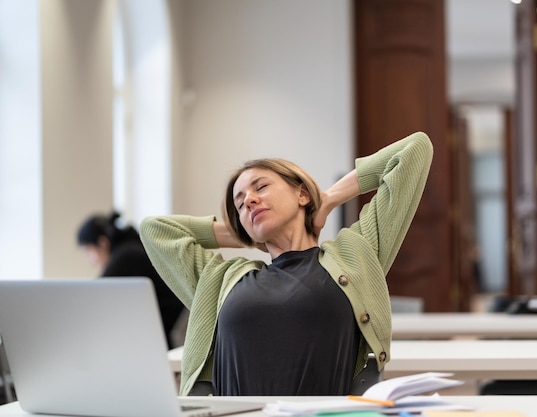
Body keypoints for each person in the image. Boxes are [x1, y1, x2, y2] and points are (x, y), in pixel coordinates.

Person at [139, 131, 433, 396]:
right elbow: (155, 230)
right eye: (240, 203)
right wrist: (245, 230)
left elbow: (413, 151)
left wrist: (326, 200)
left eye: (261, 187)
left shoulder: (354, 255)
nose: (249, 201)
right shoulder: (222, 280)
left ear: (301, 193)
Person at [77, 211, 185, 348]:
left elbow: (93, 298)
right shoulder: (132, 247)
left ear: (102, 243)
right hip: (167, 326)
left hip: (170, 331)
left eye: (88, 252)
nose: (91, 261)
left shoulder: (126, 255)